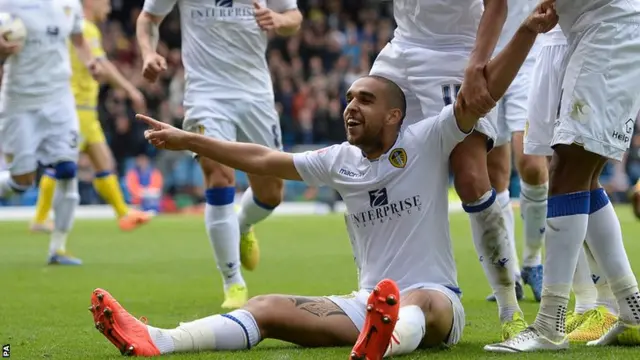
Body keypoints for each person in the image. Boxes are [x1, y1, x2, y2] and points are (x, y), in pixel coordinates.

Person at [88, 7, 557, 358]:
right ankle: (159, 340)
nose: (351, 106)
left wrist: (525, 31)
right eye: (349, 98)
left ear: (396, 114)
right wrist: (190, 138)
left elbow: (484, 92)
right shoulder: (338, 162)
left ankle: (392, 337)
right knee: (267, 305)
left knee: (418, 299)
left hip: (437, 306)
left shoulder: (429, 139)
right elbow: (264, 158)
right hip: (368, 304)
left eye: (366, 99)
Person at [485, 0, 640, 352]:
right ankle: (633, 308)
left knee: (568, 169)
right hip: (570, 27)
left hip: (608, 26)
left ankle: (549, 325)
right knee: (581, 175)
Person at [369, 0, 526, 340]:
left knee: (470, 179)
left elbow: (497, 5)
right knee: (381, 170)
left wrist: (477, 64)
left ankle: (509, 307)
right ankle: (390, 291)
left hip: (456, 53)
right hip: (400, 51)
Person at [135, 0, 303, 309]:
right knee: (218, 176)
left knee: (271, 193)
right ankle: (233, 282)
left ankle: (242, 225)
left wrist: (279, 20)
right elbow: (148, 18)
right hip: (206, 95)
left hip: (256, 96)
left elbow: (294, 17)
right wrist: (148, 52)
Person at [523, 23, 619, 344]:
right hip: (555, 39)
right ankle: (593, 302)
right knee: (566, 174)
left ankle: (606, 303)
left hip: (599, 34)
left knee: (574, 173)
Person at [30, 0, 152, 234]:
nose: (108, 6)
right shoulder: (85, 28)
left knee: (103, 163)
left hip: (81, 107)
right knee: (62, 164)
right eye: (104, 1)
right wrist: (131, 90)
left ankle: (123, 213)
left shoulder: (76, 26)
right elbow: (101, 66)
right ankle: (41, 217)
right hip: (76, 107)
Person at [0, 0, 103, 265]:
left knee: (68, 169)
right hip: (20, 102)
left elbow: (78, 40)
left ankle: (58, 248)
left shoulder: (70, 4)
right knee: (22, 181)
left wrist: (90, 62)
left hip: (59, 100)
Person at [485, 0, 547, 304]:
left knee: (532, 163)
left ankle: (533, 259)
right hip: (486, 60)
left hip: (531, 60)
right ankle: (508, 269)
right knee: (495, 173)